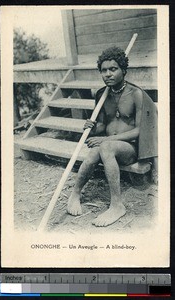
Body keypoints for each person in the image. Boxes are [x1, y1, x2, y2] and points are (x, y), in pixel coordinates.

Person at [67, 46, 157, 227]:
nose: (108, 74)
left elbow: (140, 130)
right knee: (93, 153)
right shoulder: (101, 94)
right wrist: (92, 128)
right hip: (107, 147)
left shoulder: (136, 94)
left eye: (113, 69)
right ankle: (75, 194)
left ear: (124, 70)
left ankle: (117, 205)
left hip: (129, 148)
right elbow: (102, 126)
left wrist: (105, 140)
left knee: (104, 147)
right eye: (104, 70)